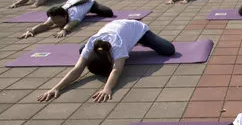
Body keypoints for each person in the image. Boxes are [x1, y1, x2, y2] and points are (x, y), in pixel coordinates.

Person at [37, 20, 175, 103]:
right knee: (81, 51)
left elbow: (116, 70)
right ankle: (130, 43)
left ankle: (137, 41)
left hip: (136, 29)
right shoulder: (90, 45)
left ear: (110, 57)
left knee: (168, 49)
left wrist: (107, 88)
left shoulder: (117, 45)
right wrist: (56, 87)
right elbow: (77, 69)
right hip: (113, 28)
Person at [17, 0, 114, 38]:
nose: (56, 24)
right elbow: (45, 25)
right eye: (55, 22)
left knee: (108, 12)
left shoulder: (74, 14)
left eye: (59, 22)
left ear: (65, 16)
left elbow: (72, 23)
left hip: (89, 3)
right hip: (72, 1)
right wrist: (32, 31)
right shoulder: (54, 16)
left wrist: (64, 30)